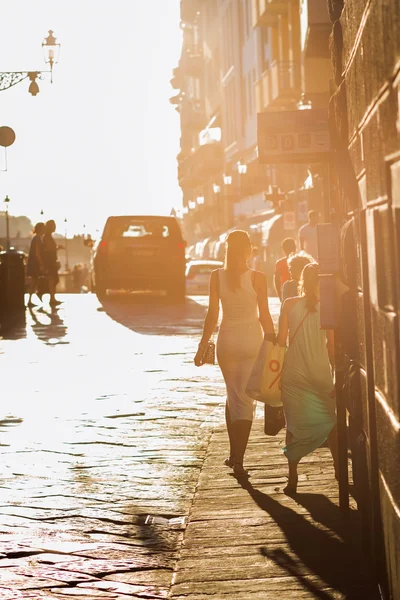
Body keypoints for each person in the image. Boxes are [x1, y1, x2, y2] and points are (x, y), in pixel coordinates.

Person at [194, 230, 275, 477]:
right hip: (252, 340)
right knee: (243, 399)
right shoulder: (259, 277)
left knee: (234, 395)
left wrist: (202, 344)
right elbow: (264, 314)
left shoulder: (216, 277)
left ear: (227, 249)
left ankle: (234, 455)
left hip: (227, 341)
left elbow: (212, 315)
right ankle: (238, 458)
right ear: (248, 249)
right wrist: (274, 342)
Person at [277, 263, 338, 495]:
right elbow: (331, 348)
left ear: (302, 281)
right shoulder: (327, 308)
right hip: (320, 373)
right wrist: (335, 377)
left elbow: (282, 341)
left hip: (293, 372)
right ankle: (338, 471)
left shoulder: (289, 304)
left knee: (293, 424)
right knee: (332, 423)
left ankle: (292, 478)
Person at [42, 220, 62, 307]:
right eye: (54, 226)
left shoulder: (48, 236)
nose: (55, 227)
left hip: (51, 260)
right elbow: (47, 249)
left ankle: (52, 297)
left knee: (54, 279)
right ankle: (51, 298)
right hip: (49, 261)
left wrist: (57, 248)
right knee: (52, 279)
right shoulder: (46, 237)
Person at [27, 222, 46, 307]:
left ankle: (31, 299)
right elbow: (38, 253)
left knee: (35, 281)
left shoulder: (36, 238)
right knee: (35, 281)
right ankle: (33, 298)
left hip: (33, 262)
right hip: (35, 263)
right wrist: (42, 264)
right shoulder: (38, 239)